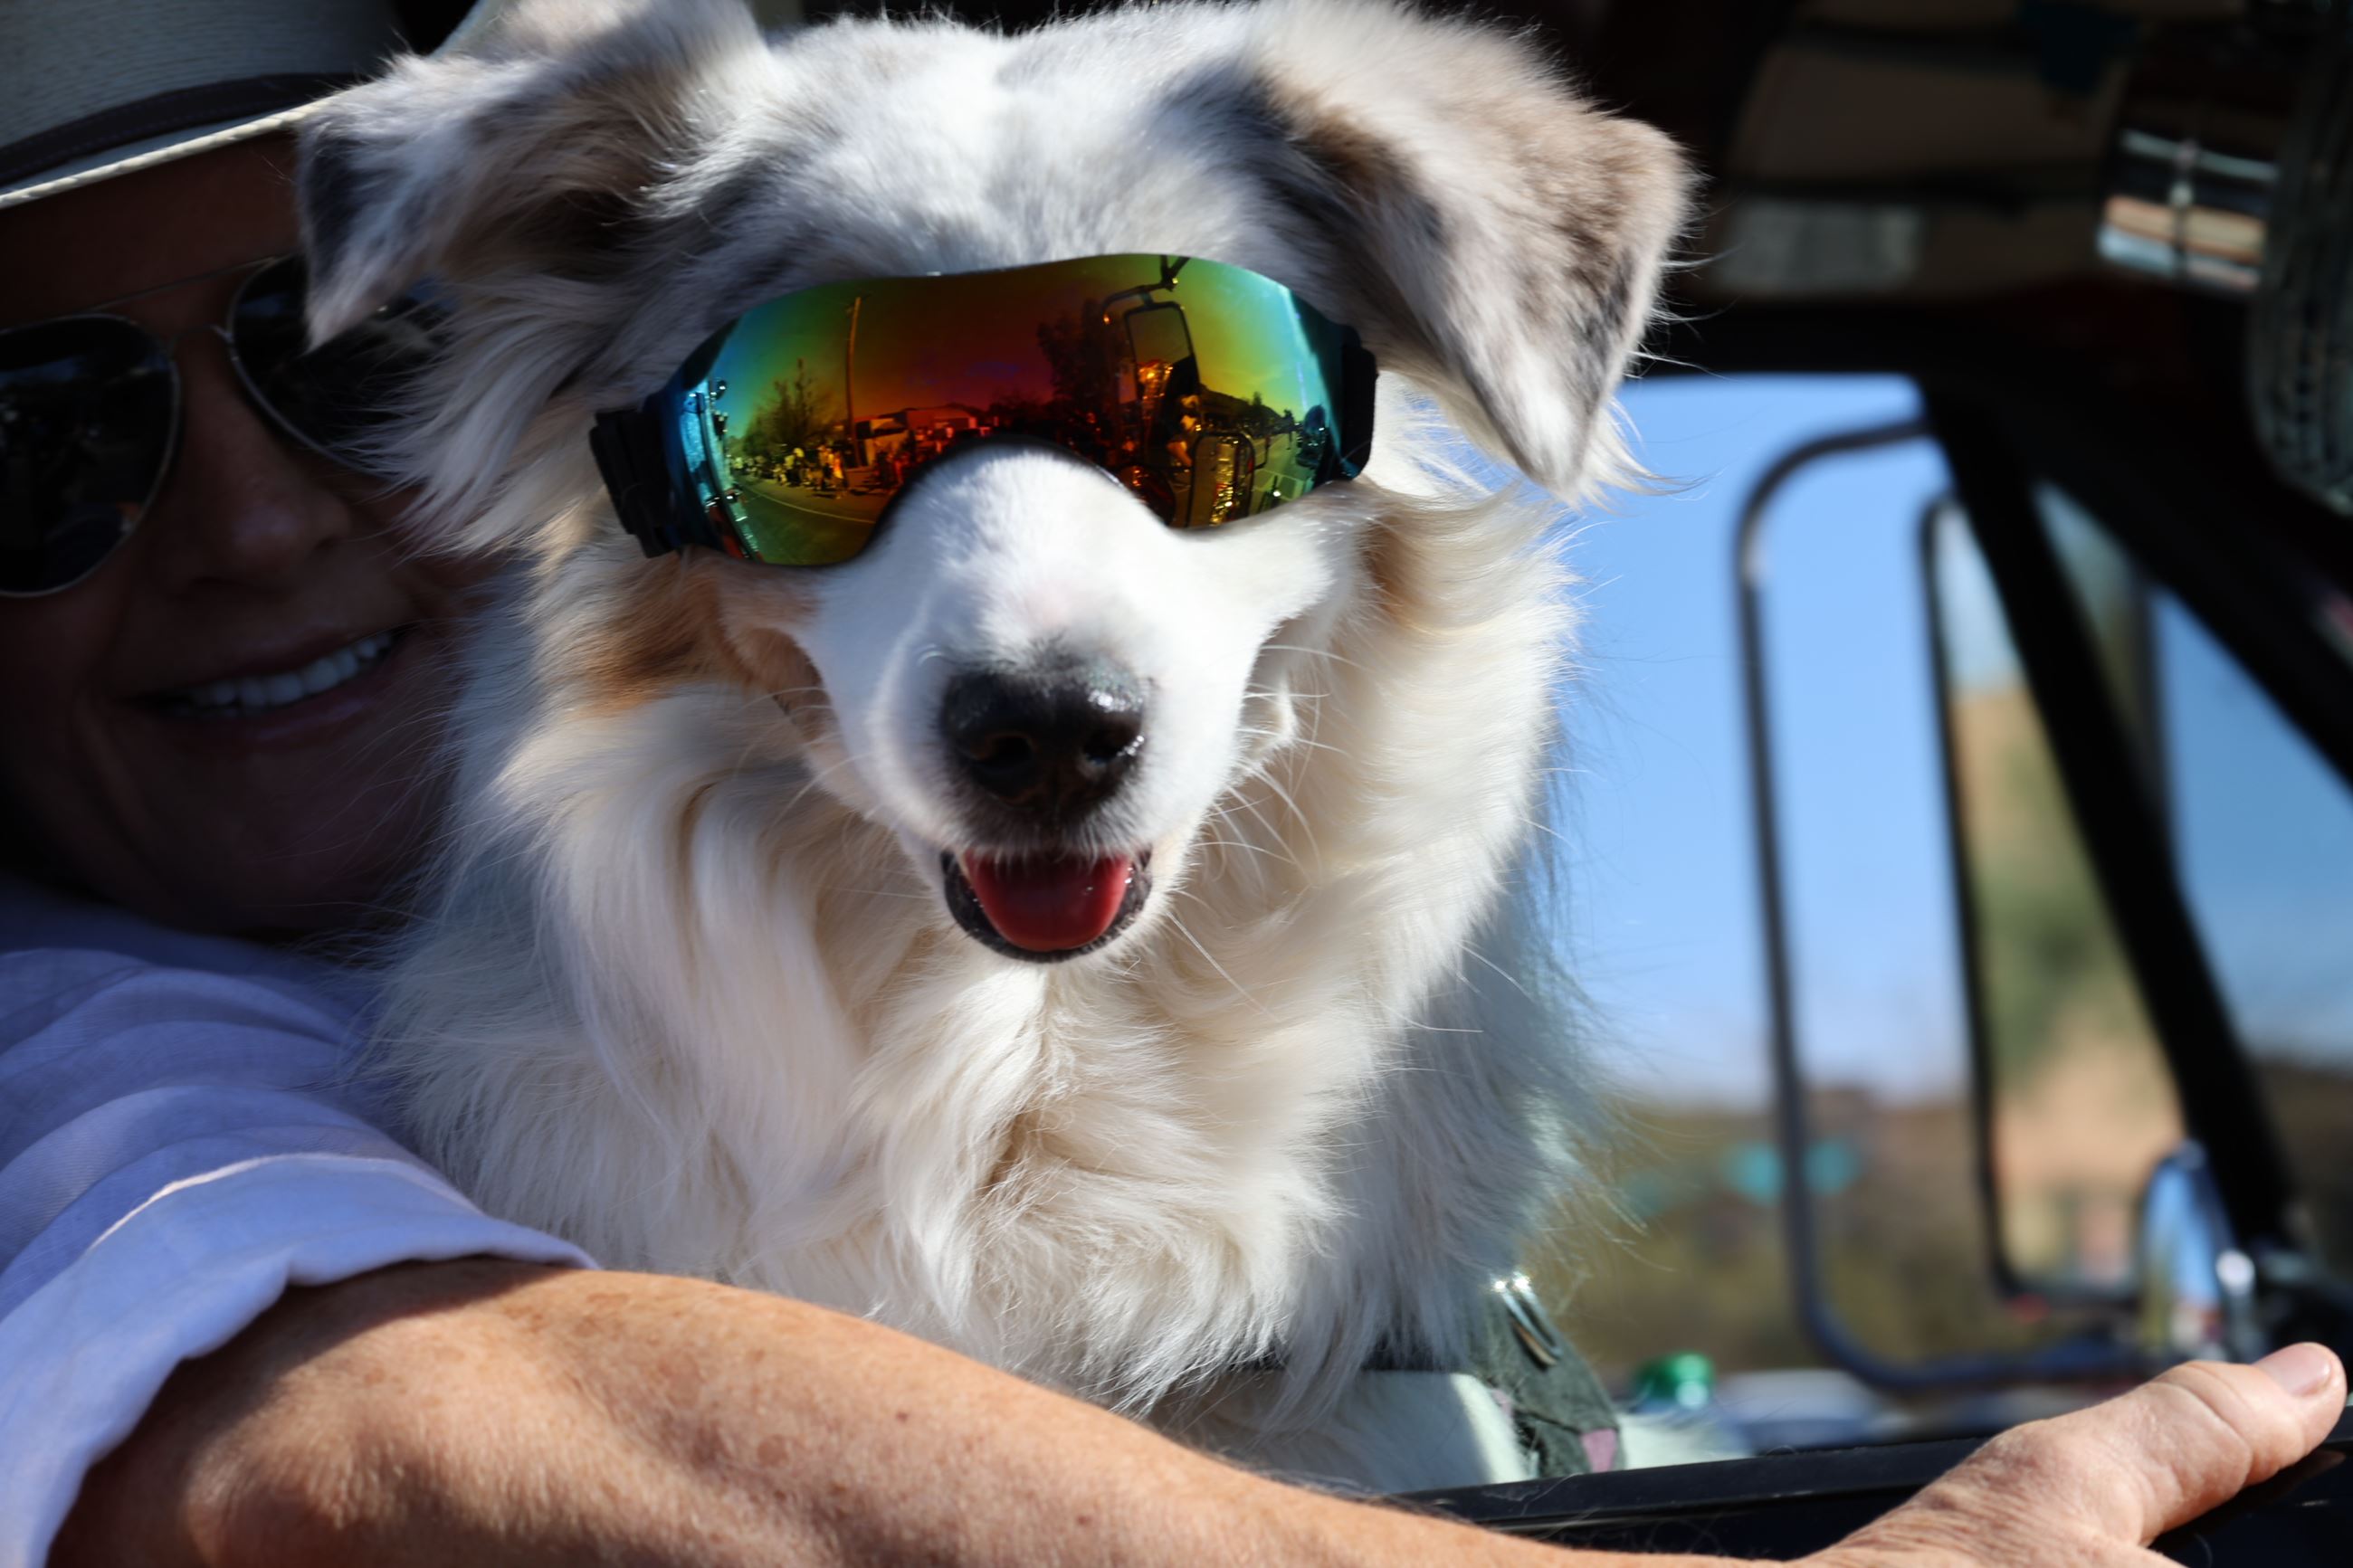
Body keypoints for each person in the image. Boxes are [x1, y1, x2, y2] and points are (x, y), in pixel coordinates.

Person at [2, 4, 2344, 1565]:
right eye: (49, 437)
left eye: (1196, 400)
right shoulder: (64, 1054)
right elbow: (373, 1421)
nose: (259, 523)